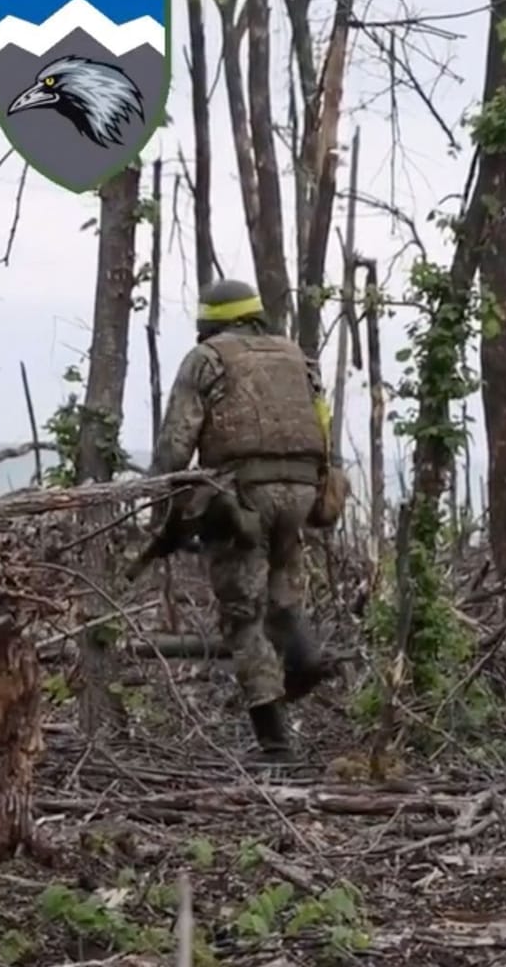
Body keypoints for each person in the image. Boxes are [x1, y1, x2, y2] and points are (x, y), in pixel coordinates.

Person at [151, 279, 339, 757]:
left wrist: (164, 516)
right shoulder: (299, 356)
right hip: (303, 491)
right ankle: (304, 657)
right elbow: (323, 426)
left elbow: (176, 444)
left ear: (209, 319)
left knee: (242, 616)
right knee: (281, 596)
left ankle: (274, 743)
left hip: (241, 496)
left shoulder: (207, 359)